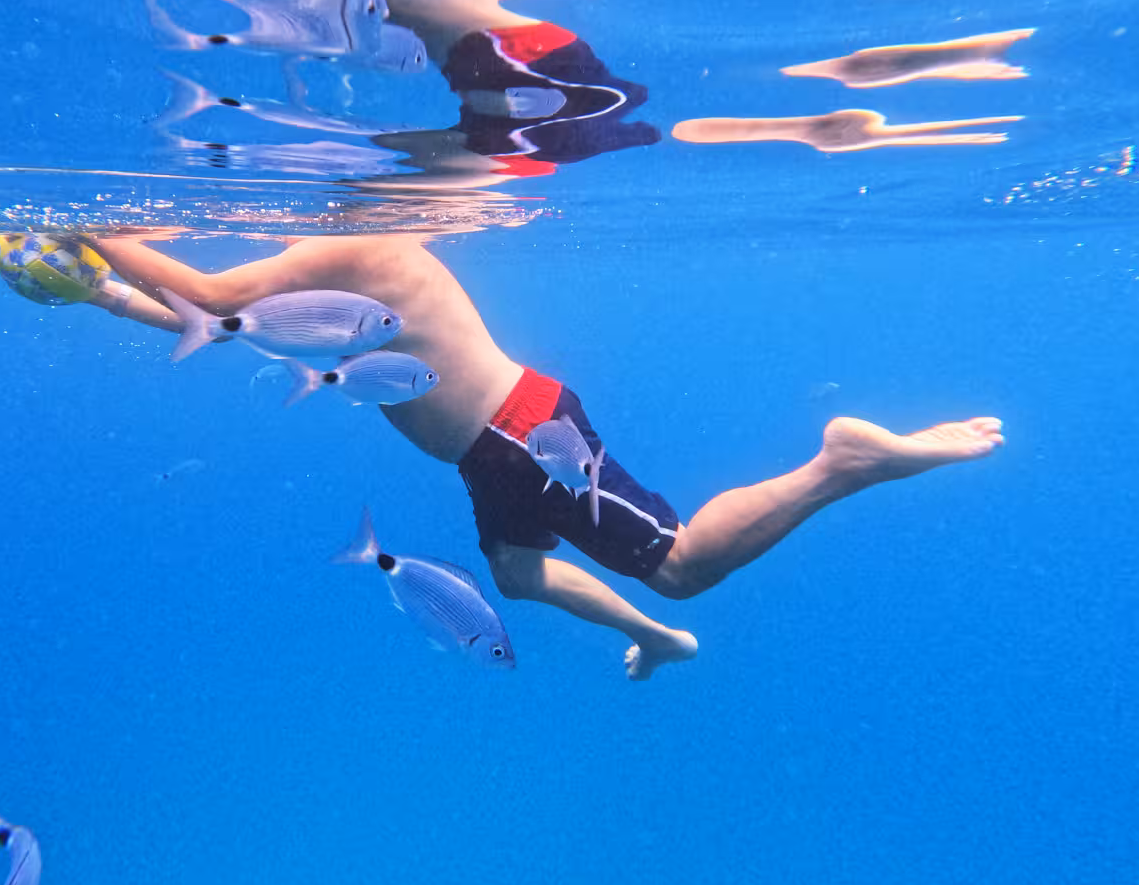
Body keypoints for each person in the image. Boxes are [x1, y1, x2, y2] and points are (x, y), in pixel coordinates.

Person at [78, 231, 1003, 681]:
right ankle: (654, 639)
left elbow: (205, 289)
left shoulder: (362, 253)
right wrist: (108, 296)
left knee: (677, 565)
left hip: (525, 431)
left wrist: (88, 232)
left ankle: (838, 462)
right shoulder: (324, 268)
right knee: (516, 577)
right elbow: (228, 320)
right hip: (487, 452)